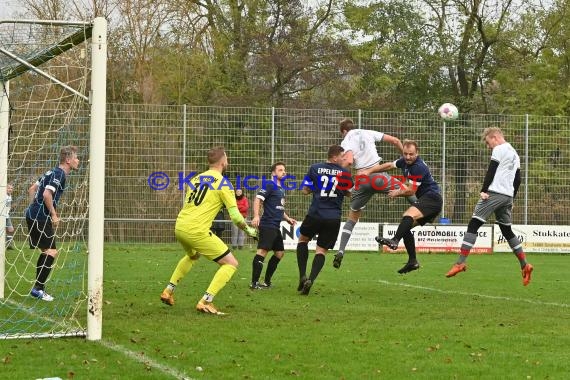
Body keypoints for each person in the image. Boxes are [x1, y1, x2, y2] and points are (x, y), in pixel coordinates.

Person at [160, 147, 258, 315]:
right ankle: (205, 301)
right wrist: (250, 231)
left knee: (193, 256)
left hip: (180, 226)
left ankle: (168, 291)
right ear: (223, 162)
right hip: (196, 230)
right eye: (226, 158)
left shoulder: (196, 179)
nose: (228, 160)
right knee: (231, 264)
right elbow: (235, 216)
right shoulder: (223, 183)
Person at [445, 127, 533, 285]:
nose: (488, 146)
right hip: (507, 196)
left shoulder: (499, 149)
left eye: (488, 142)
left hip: (494, 193)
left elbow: (491, 170)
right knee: (506, 230)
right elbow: (518, 179)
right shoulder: (514, 153)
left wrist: (484, 190)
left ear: (494, 137)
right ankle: (525, 265)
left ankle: (460, 263)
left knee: (474, 224)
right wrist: (511, 199)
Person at [333, 117, 415, 269]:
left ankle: (341, 251)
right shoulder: (367, 132)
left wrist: (341, 174)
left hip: (362, 181)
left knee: (352, 218)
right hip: (378, 176)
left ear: (344, 131)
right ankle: (422, 209)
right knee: (407, 191)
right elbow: (396, 141)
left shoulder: (346, 140)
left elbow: (349, 161)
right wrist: (406, 163)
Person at [374, 140, 443, 273]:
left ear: (417, 153)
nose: (408, 157)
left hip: (432, 199)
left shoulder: (418, 167)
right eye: (405, 154)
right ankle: (412, 261)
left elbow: (411, 191)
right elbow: (389, 165)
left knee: (408, 215)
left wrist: (396, 193)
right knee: (405, 226)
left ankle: (394, 240)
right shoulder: (404, 162)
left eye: (411, 154)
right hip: (428, 200)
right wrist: (370, 170)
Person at [25, 146, 80, 301]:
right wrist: (54, 215)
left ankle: (38, 288)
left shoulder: (50, 172)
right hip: (40, 216)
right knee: (51, 251)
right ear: (68, 160)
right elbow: (46, 194)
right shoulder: (60, 174)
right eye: (76, 157)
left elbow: (32, 189)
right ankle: (38, 289)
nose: (78, 160)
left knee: (46, 251)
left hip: (32, 214)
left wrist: (32, 207)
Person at [296, 145, 352, 295]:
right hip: (333, 217)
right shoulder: (345, 173)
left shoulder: (314, 168)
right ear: (334, 157)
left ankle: (302, 275)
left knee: (303, 240)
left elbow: (304, 191)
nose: (344, 159)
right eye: (342, 156)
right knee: (321, 251)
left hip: (315, 214)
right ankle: (311, 280)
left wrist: (318, 188)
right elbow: (350, 193)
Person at [250, 162, 297, 289]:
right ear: (273, 173)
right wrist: (256, 216)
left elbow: (279, 208)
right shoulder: (269, 185)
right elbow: (258, 199)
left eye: (284, 170)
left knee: (279, 253)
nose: (284, 172)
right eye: (280, 170)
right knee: (262, 251)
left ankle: (266, 282)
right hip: (267, 224)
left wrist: (287, 218)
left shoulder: (281, 189)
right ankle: (254, 283)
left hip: (275, 226)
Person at [5, 183, 14, 249]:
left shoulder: (10, 196)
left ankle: (8, 245)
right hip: (3, 216)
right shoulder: (3, 195)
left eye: (11, 188)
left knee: (11, 230)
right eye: (9, 188)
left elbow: (9, 206)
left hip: (7, 216)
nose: (10, 189)